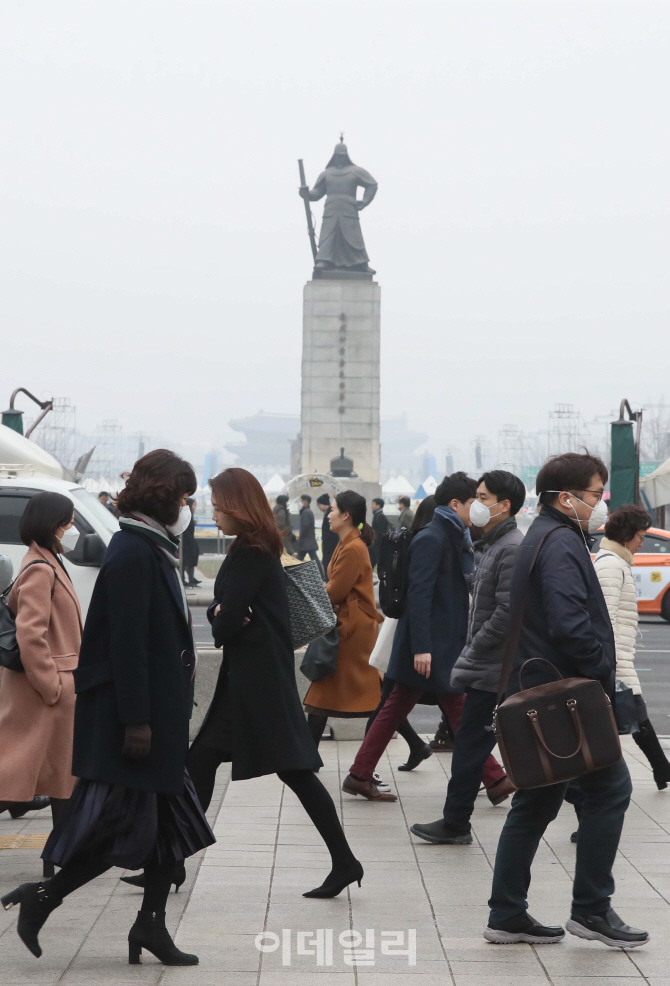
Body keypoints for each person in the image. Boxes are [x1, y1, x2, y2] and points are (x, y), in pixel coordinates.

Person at [2, 450, 215, 966]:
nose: (187, 506)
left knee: (172, 828)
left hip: (155, 718)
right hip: (137, 723)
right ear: (166, 497)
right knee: (129, 830)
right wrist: (138, 721)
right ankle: (47, 899)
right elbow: (126, 646)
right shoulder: (133, 553)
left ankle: (148, 925)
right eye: (184, 496)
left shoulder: (149, 547)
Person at [484, 452, 648, 949]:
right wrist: (600, 667)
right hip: (565, 694)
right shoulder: (560, 543)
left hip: (543, 690)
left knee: (536, 799)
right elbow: (568, 622)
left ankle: (507, 914)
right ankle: (591, 910)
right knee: (611, 789)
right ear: (566, 498)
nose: (601, 504)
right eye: (596, 495)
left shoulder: (547, 535)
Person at [187, 468, 363, 899]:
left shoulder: (250, 551)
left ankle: (345, 861)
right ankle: (170, 860)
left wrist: (223, 618)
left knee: (291, 771)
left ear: (236, 506)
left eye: (217, 503)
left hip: (258, 683)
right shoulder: (256, 547)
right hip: (253, 679)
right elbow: (223, 610)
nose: (213, 511)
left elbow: (227, 619)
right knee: (203, 762)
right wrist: (222, 614)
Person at [342, 473, 507, 802]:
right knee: (450, 709)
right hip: (429, 646)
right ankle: (496, 779)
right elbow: (420, 596)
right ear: (455, 504)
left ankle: (360, 774)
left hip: (438, 644)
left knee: (414, 709)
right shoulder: (433, 538)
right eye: (475, 500)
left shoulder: (452, 535)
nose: (478, 507)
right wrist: (422, 649)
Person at [411, 470, 524, 845]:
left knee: (471, 747)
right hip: (487, 666)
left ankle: (456, 822)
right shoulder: (493, 543)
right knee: (475, 746)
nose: (476, 504)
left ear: (504, 505)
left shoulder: (510, 547)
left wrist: (473, 648)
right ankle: (457, 819)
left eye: (483, 497)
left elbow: (506, 613)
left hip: (492, 667)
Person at [0, 493, 82, 836]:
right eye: (68, 522)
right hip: (45, 694)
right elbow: (31, 635)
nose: (73, 528)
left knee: (58, 779)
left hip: (49, 692)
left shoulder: (46, 560)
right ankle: (64, 855)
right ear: (53, 525)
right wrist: (52, 686)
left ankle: (64, 855)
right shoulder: (40, 568)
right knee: (19, 777)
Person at [594, 505, 670, 788]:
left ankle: (662, 770)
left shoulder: (616, 562)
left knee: (634, 714)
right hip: (614, 659)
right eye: (640, 536)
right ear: (626, 536)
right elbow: (605, 620)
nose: (641, 542)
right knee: (627, 716)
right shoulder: (611, 565)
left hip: (619, 657)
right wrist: (608, 662)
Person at [303, 490, 384, 750]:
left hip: (351, 629)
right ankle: (416, 744)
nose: (328, 514)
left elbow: (336, 590)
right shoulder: (348, 542)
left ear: (346, 515)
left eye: (333, 509)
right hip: (350, 625)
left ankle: (307, 755)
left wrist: (308, 594)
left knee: (328, 690)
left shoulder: (353, 547)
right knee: (368, 693)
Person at [297, 494, 324, 576]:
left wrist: (300, 537)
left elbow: (305, 526)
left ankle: (295, 575)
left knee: (300, 559)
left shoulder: (306, 512)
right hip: (309, 540)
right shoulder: (308, 511)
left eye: (301, 500)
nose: (300, 502)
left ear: (305, 501)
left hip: (306, 540)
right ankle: (321, 575)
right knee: (309, 558)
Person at [181, 497, 201, 587]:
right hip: (186, 542)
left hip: (189, 541)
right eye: (193, 505)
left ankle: (191, 578)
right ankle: (186, 579)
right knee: (186, 561)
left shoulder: (190, 515)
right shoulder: (187, 515)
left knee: (189, 560)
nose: (194, 507)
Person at [317, 493, 338, 573]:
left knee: (328, 561)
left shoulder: (330, 512)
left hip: (331, 542)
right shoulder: (328, 512)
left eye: (318, 504)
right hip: (329, 542)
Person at [369, 497, 390, 571]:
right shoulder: (377, 515)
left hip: (377, 544)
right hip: (376, 543)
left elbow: (381, 531)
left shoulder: (380, 516)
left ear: (378, 505)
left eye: (373, 504)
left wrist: (374, 540)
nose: (371, 506)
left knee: (375, 561)